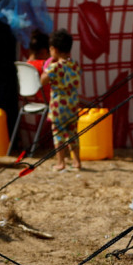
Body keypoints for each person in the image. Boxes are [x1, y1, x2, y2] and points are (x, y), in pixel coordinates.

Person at [41, 28, 82, 171]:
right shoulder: (75, 64)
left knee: (58, 134)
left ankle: (61, 162)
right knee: (73, 133)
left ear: (53, 49)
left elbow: (43, 81)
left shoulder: (54, 67)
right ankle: (76, 161)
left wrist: (47, 67)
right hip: (72, 105)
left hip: (58, 105)